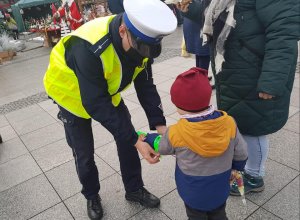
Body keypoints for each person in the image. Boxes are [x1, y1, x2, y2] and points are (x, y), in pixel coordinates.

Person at [43, 0, 177, 219]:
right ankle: (91, 195)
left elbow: (146, 86)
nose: (143, 55)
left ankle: (134, 189)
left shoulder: (142, 42)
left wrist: (163, 131)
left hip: (104, 91)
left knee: (127, 138)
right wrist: (137, 140)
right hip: (69, 96)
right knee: (84, 153)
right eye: (140, 48)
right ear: (123, 31)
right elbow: (95, 103)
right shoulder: (89, 46)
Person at [177, 0, 300, 195]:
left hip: (256, 69)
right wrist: (190, 9)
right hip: (236, 66)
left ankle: (254, 176)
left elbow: (283, 33)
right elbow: (219, 12)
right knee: (242, 122)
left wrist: (271, 81)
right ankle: (245, 167)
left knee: (255, 128)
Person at [139, 67, 248, 220]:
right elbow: (242, 153)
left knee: (195, 216)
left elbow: (162, 147)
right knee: (219, 213)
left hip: (192, 190)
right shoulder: (229, 123)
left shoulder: (176, 132)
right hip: (220, 186)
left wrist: (149, 138)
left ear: (181, 107)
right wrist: (236, 169)